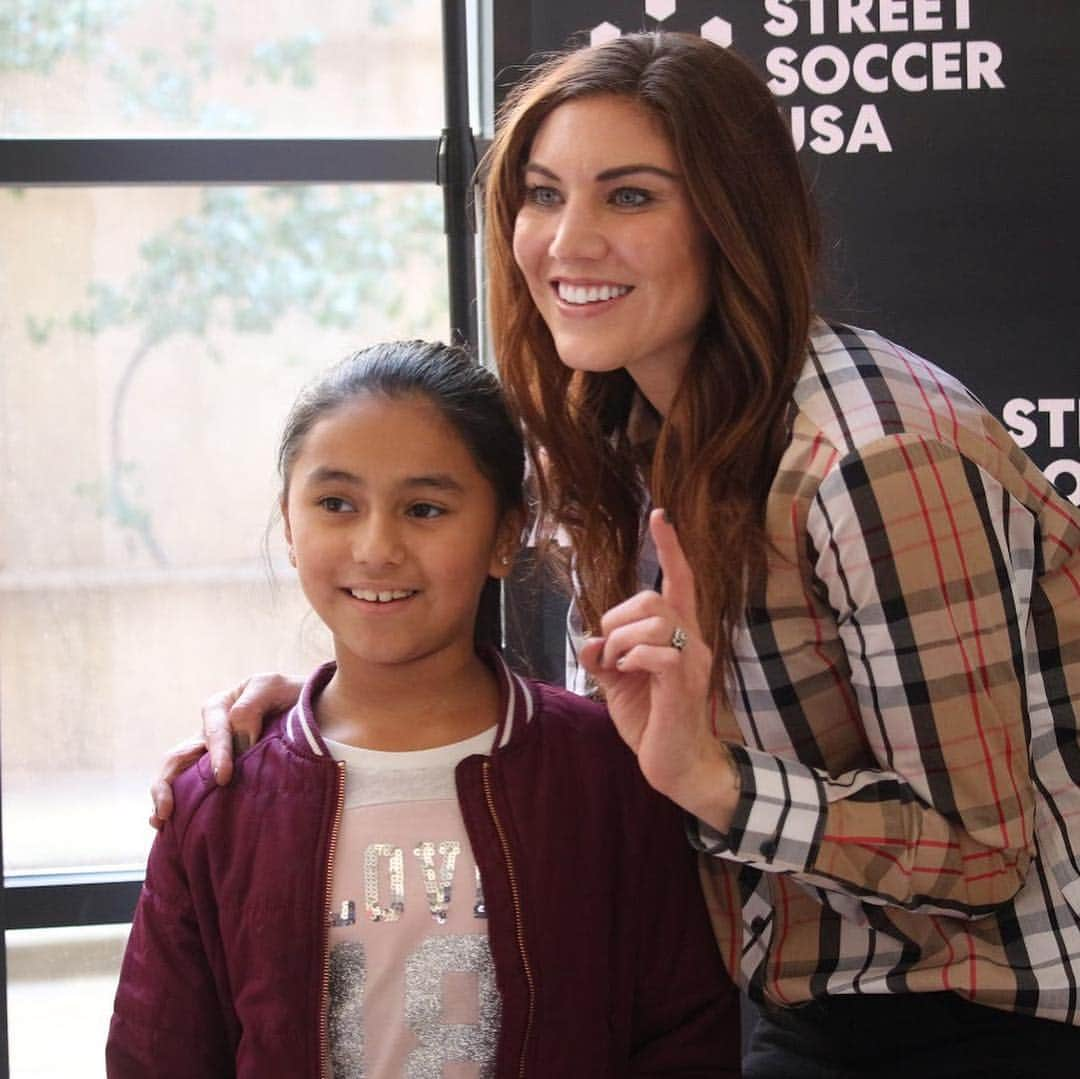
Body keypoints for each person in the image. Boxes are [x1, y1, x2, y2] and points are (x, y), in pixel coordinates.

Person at [151, 32, 1080, 1077]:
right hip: (804, 996)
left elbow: (982, 848)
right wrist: (334, 705)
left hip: (992, 1017)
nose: (565, 241)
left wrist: (715, 781)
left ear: (732, 220)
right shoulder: (626, 436)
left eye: (629, 197)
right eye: (542, 196)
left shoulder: (871, 457)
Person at [110, 340, 739, 1077]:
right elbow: (157, 1057)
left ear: (506, 534)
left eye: (425, 508)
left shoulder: (610, 775)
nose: (377, 547)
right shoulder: (217, 800)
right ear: (288, 520)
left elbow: (685, 1036)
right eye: (336, 503)